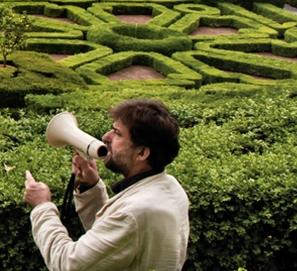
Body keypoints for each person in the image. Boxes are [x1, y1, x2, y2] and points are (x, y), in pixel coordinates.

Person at [23, 99, 189, 271]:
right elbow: (113, 242)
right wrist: (91, 187)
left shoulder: (135, 212)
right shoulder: (169, 186)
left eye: (117, 134)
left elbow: (68, 264)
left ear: (142, 152)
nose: (106, 137)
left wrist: (42, 207)